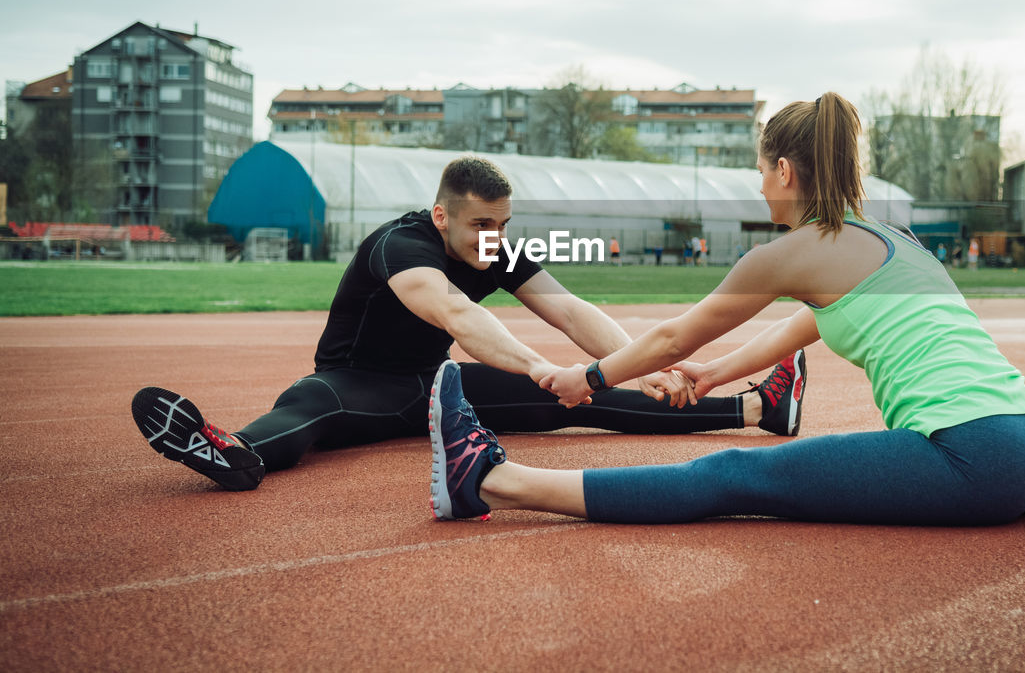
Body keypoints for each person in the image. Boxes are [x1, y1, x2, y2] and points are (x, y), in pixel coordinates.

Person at [428, 93, 1025, 526]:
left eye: (762, 169)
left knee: (737, 473)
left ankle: (493, 479)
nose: (759, 184)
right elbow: (806, 322)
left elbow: (673, 336)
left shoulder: (793, 252)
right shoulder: (894, 243)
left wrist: (590, 377)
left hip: (979, 454)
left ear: (787, 171)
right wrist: (715, 374)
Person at [132, 157, 806, 492]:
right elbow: (457, 311)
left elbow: (569, 310)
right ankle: (234, 452)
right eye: (481, 224)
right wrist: (537, 365)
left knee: (586, 395)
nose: (494, 239)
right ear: (442, 216)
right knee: (310, 402)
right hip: (357, 383)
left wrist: (642, 364)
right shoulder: (401, 246)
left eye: (503, 224)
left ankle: (756, 410)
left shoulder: (498, 247)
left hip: (435, 385)